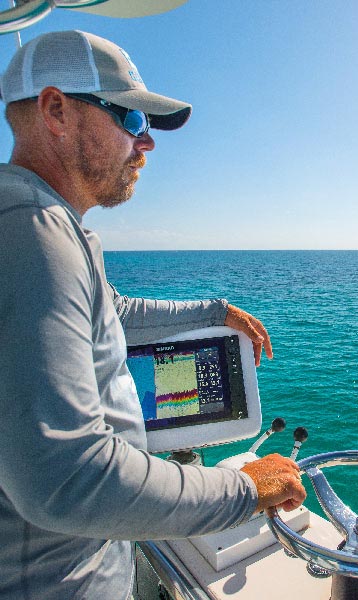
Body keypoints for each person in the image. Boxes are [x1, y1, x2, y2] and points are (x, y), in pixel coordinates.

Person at [0, 30, 306, 600]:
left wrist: (215, 311)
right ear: (56, 110)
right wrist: (243, 489)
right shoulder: (31, 231)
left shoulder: (46, 223)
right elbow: (66, 478)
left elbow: (112, 312)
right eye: (132, 119)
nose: (146, 143)